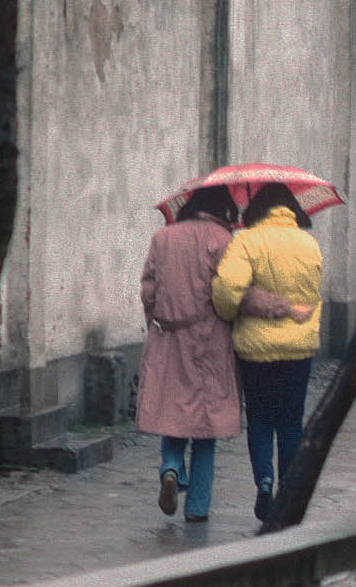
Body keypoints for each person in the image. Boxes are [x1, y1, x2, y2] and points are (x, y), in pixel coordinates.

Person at [138, 186, 256, 520]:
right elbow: (230, 293)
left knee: (172, 413)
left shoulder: (163, 238)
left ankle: (171, 468)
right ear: (223, 210)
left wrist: (155, 323)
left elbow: (148, 289)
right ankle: (198, 507)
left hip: (168, 337)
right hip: (210, 339)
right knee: (207, 425)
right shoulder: (223, 241)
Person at [213, 183, 324, 521]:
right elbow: (313, 291)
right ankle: (289, 493)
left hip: (256, 352)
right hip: (297, 349)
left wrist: (232, 312)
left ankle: (264, 481)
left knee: (260, 420)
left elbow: (228, 291)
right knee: (291, 422)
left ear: (257, 208)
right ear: (291, 208)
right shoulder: (309, 243)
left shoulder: (246, 241)